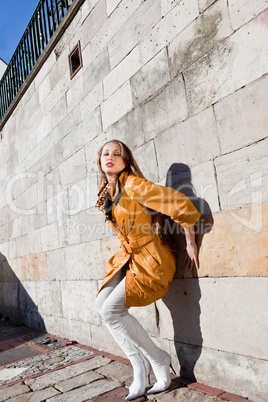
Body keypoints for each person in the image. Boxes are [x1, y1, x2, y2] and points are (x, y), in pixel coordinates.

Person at [95, 140, 201, 400]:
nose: (110, 157)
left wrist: (190, 242)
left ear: (126, 160)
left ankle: (153, 362)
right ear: (99, 161)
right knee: (102, 305)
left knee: (110, 310)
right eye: (105, 153)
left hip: (151, 258)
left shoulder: (131, 183)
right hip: (129, 256)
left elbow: (176, 201)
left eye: (117, 154)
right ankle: (143, 368)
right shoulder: (109, 189)